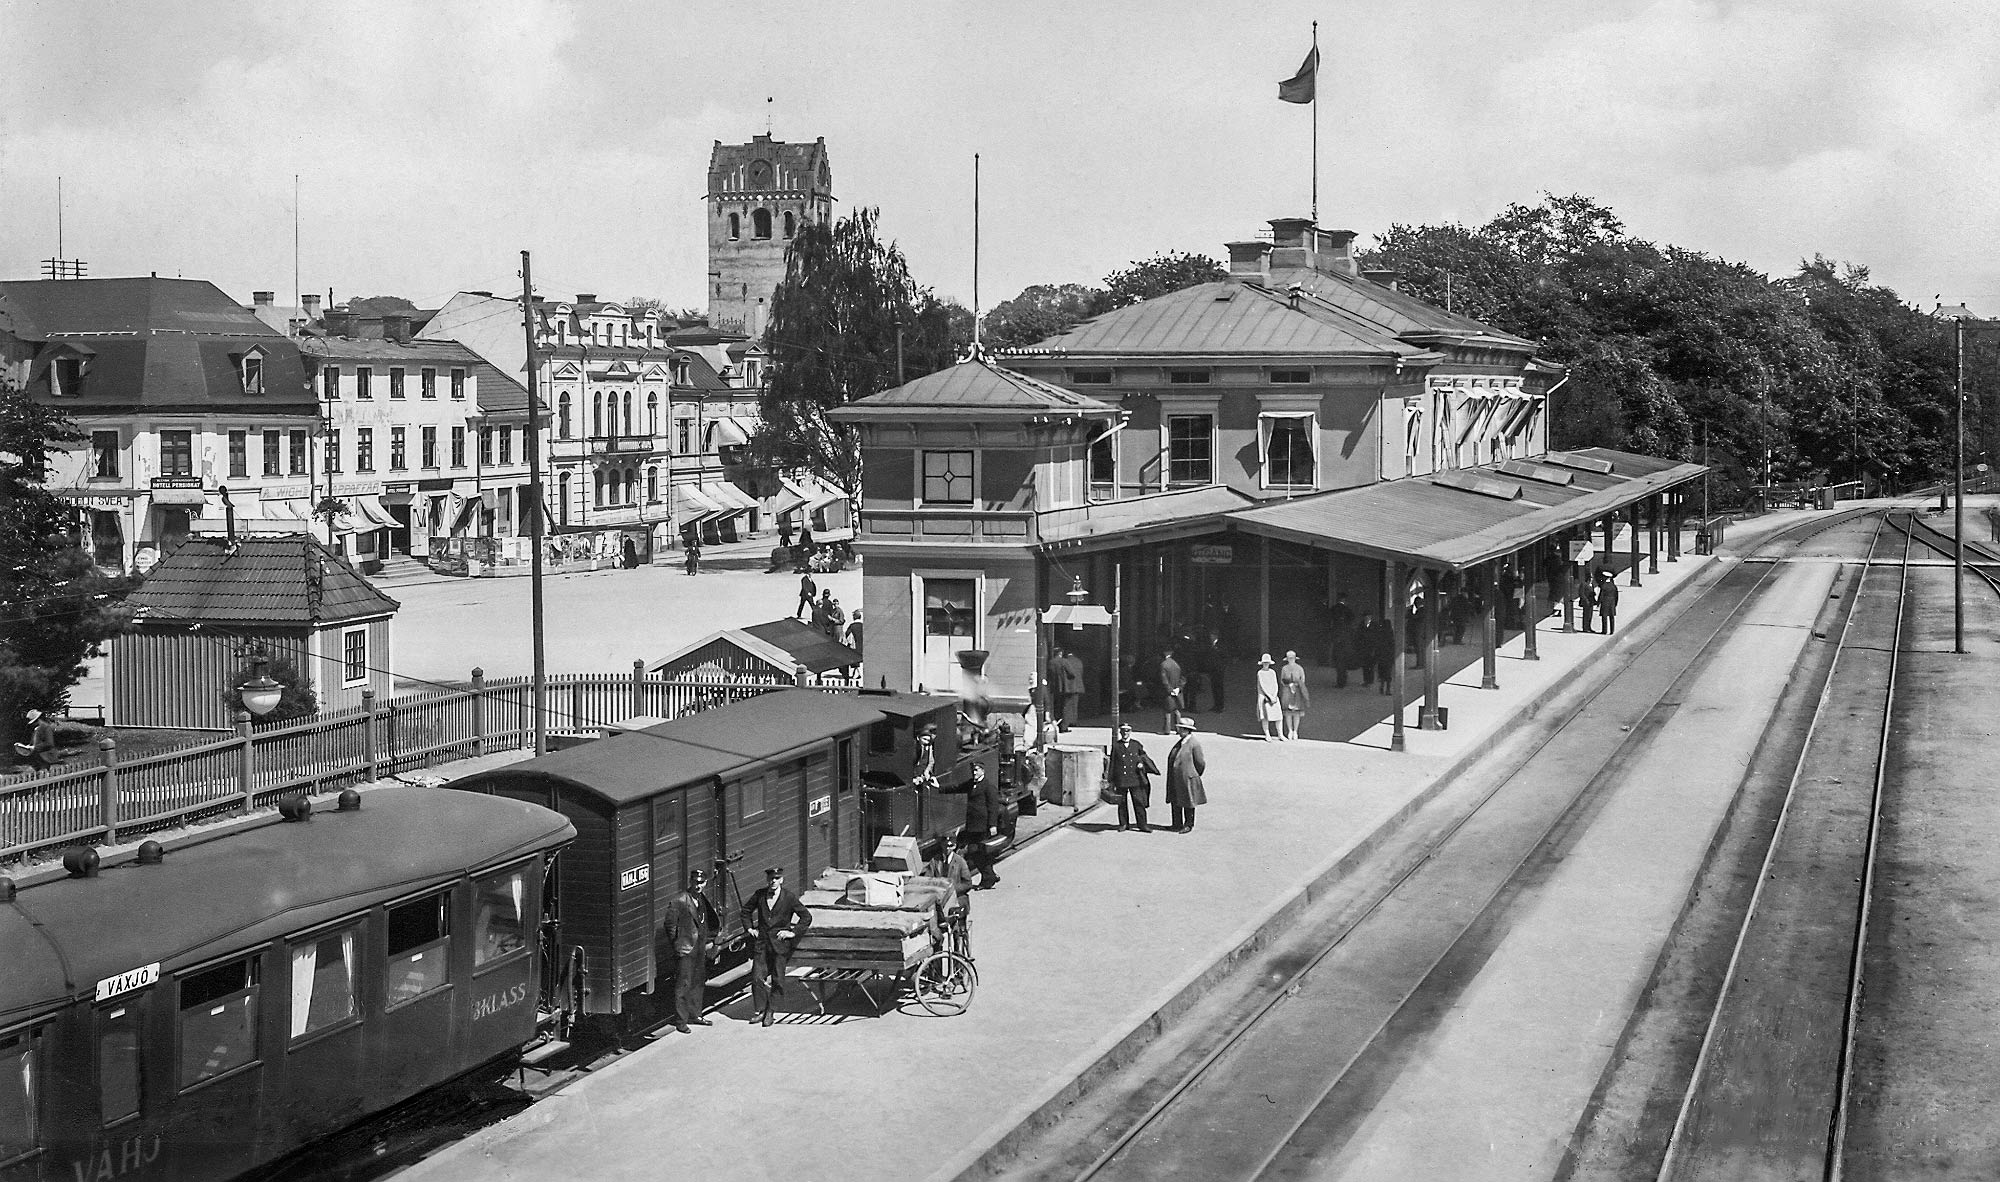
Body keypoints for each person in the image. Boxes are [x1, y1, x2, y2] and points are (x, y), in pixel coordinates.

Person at [740, 866, 813, 1027]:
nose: (773, 881)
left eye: (777, 878)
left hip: (780, 946)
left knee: (778, 979)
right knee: (757, 978)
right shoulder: (759, 895)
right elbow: (745, 911)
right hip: (762, 944)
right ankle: (761, 1010)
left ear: (782, 880)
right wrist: (750, 928)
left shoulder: (789, 897)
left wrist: (793, 933)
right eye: (771, 879)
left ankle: (771, 1011)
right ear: (767, 880)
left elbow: (806, 916)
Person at [662, 869, 720, 1033]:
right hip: (686, 950)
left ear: (705, 883)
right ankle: (681, 1021)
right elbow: (670, 925)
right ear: (690, 882)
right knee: (683, 985)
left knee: (697, 982)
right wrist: (678, 945)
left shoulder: (701, 899)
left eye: (701, 883)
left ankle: (695, 1015)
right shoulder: (680, 901)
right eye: (695, 882)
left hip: (699, 949)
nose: (698, 886)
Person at [941, 763, 1003, 888]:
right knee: (977, 853)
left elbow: (993, 807)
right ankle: (990, 876)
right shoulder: (971, 784)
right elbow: (957, 787)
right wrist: (939, 787)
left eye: (976, 770)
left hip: (982, 825)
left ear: (983, 771)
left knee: (977, 852)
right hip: (973, 825)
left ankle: (988, 878)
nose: (974, 773)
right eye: (973, 771)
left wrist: (992, 825)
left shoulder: (988, 787)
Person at [1109, 722, 1160, 832]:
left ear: (1130, 732)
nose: (1125, 733)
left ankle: (1142, 824)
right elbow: (1112, 763)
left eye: (1127, 731)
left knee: (1139, 802)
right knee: (1122, 803)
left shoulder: (1136, 744)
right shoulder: (1116, 746)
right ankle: (1123, 824)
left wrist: (1141, 764)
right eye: (1123, 731)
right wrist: (1111, 780)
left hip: (1135, 778)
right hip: (1121, 779)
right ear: (1120, 732)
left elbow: (1144, 757)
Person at [1164, 717, 1207, 833]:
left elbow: (1200, 762)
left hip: (1187, 778)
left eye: (1180, 729)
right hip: (1176, 778)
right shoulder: (1180, 742)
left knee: (1188, 802)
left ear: (1187, 730)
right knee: (1175, 800)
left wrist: (1193, 774)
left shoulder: (1194, 744)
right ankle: (1176, 823)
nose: (1178, 731)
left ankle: (1188, 824)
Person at [1049, 648, 1083, 733]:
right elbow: (1071, 673)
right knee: (1067, 707)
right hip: (1066, 688)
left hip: (1055, 688)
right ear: (1060, 653)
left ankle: (1055, 723)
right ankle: (1064, 726)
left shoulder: (1051, 662)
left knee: (1057, 706)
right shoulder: (1064, 661)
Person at [1278, 650, 1309, 741]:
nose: (1291, 660)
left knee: (1296, 712)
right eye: (1289, 658)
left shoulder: (1299, 668)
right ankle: (1290, 730)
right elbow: (1282, 680)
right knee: (1288, 712)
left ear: (1295, 659)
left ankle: (1295, 731)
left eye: (1292, 658)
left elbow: (1302, 679)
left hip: (1297, 691)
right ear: (1287, 659)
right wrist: (1288, 685)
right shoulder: (1284, 668)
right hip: (1287, 691)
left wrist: (1297, 685)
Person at [1327, 592, 1357, 687]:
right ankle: (1343, 679)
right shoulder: (1348, 610)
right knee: (1344, 659)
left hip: (1336, 637)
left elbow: (1329, 622)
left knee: (1338, 659)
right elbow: (1352, 620)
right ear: (1345, 600)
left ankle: (1340, 681)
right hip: (1346, 638)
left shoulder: (1333, 609)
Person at [1157, 647, 1186, 734]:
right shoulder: (1177, 664)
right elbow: (1183, 677)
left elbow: (1164, 680)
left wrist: (1170, 690)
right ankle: (1179, 729)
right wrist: (1179, 688)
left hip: (1168, 692)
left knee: (1167, 711)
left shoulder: (1163, 665)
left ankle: (1166, 729)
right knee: (1177, 710)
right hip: (1178, 691)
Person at [1254, 653, 1281, 740]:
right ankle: (1267, 734)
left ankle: (1280, 734)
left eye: (1267, 663)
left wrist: (1275, 695)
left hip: (1273, 697)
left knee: (1279, 716)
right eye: (1264, 663)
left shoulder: (1272, 672)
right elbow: (1262, 685)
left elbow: (1276, 684)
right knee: (1265, 717)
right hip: (1264, 697)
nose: (1266, 664)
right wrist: (1269, 696)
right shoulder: (1260, 673)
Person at [1369, 614, 1397, 695]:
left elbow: (1377, 645)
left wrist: (1376, 657)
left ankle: (1381, 686)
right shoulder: (1390, 634)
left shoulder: (1379, 634)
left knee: (1381, 673)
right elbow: (1393, 646)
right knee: (1388, 674)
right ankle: (1388, 689)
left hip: (1381, 657)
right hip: (1388, 657)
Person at [1597, 570, 1621, 635]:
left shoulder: (1604, 586)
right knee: (1612, 617)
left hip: (1605, 602)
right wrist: (1615, 603)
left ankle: (1604, 630)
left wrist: (1598, 603)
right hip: (1612, 603)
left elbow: (1601, 595)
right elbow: (1616, 596)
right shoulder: (1613, 586)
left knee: (1604, 617)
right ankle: (1612, 630)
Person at [1579, 569, 1598, 634]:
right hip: (1586, 602)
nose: (1592, 579)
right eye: (1591, 577)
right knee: (1586, 615)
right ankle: (1585, 627)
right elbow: (1581, 593)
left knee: (1590, 615)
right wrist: (1585, 600)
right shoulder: (1584, 584)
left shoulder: (1591, 584)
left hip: (1591, 601)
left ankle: (1589, 626)